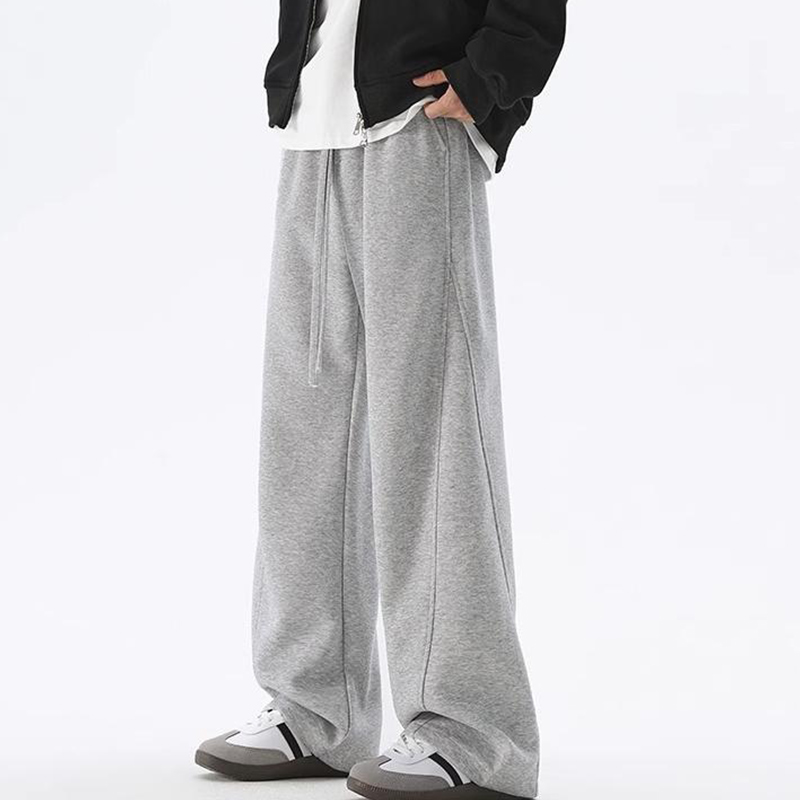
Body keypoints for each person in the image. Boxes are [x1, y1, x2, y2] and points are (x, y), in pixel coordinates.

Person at [195, 1, 567, 798]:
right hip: (314, 126)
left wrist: (491, 73)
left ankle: (473, 734)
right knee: (304, 428)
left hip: (417, 122)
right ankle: (316, 711)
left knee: (432, 429)